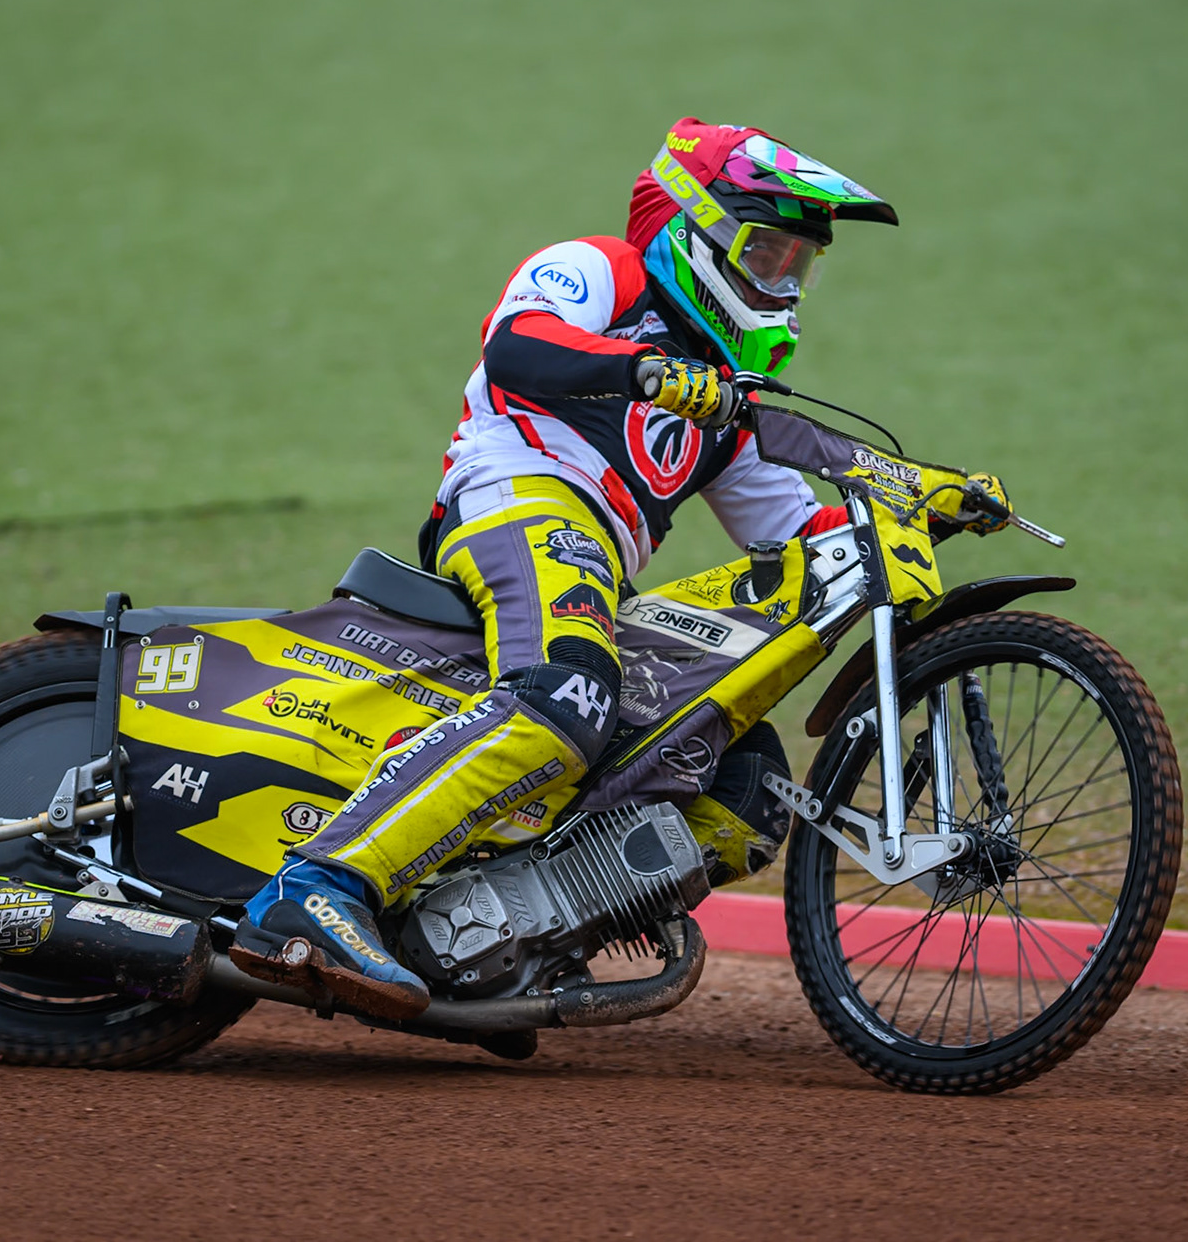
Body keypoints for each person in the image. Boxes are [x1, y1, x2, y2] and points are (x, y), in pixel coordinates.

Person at [237, 118, 1008, 1020]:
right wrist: (650, 371)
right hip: (519, 499)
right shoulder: (603, 267)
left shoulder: (726, 400)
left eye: (800, 264)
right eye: (767, 254)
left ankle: (506, 946)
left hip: (599, 561)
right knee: (567, 695)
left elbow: (795, 529)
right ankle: (321, 886)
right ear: (699, 228)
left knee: (743, 779)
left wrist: (906, 506)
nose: (785, 282)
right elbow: (518, 347)